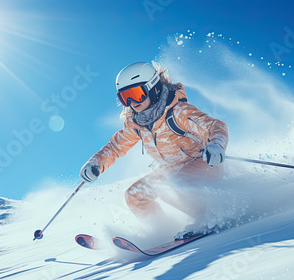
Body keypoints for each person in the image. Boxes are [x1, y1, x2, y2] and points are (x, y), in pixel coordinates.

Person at [80, 62, 228, 239]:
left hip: (204, 163)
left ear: (154, 88)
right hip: (170, 170)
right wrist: (96, 163)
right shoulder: (136, 125)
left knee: (169, 185)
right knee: (135, 195)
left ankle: (211, 217)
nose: (132, 103)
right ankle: (164, 230)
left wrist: (217, 146)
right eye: (125, 97)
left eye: (136, 94)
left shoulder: (178, 112)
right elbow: (115, 147)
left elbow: (215, 126)